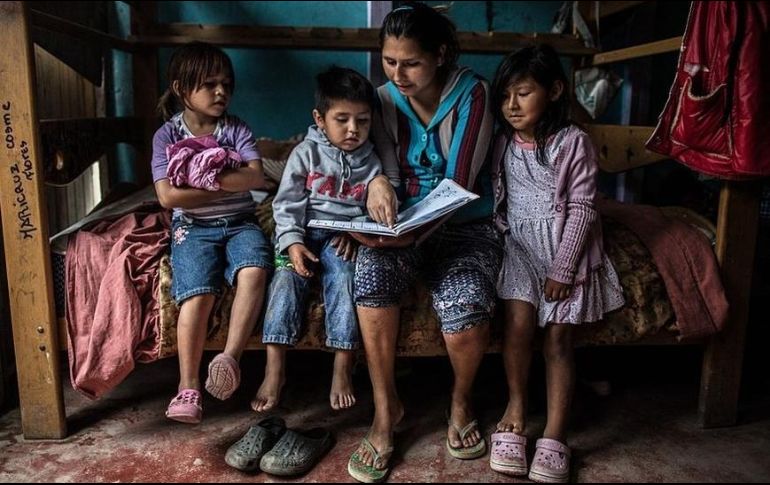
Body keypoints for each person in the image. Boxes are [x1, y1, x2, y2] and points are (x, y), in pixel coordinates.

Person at [346, 3, 502, 482]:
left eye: (410, 62)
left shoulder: (474, 95)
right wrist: (375, 186)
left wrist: (408, 237)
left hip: (463, 225)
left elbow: (459, 184)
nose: (399, 74)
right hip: (401, 227)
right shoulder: (381, 99)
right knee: (369, 279)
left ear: (440, 55)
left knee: (467, 311)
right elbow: (362, 159)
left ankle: (460, 402)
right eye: (390, 62)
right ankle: (384, 408)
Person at [487, 44, 625, 482]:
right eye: (506, 95)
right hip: (520, 247)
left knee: (558, 340)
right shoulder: (504, 142)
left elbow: (583, 209)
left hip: (565, 249)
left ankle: (555, 433)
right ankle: (516, 405)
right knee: (518, 324)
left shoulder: (573, 142)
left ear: (554, 91)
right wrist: (503, 234)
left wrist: (563, 270)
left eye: (523, 93)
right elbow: (500, 198)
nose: (511, 105)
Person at [151, 41, 272, 424]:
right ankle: (188, 388)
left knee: (254, 269)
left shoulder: (235, 128)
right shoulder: (166, 137)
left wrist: (200, 181)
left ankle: (229, 359)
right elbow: (168, 197)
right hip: (193, 229)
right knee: (197, 295)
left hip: (240, 223)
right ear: (181, 89)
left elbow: (255, 176)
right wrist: (223, 182)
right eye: (209, 84)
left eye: (226, 84)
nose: (222, 92)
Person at [252, 66, 381, 413]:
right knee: (284, 281)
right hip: (304, 234)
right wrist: (292, 243)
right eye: (342, 119)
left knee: (344, 281)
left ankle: (342, 366)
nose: (354, 130)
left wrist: (360, 233)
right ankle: (274, 368)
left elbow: (375, 207)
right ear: (320, 118)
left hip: (343, 238)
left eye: (363, 121)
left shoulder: (372, 161)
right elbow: (286, 203)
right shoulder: (305, 154)